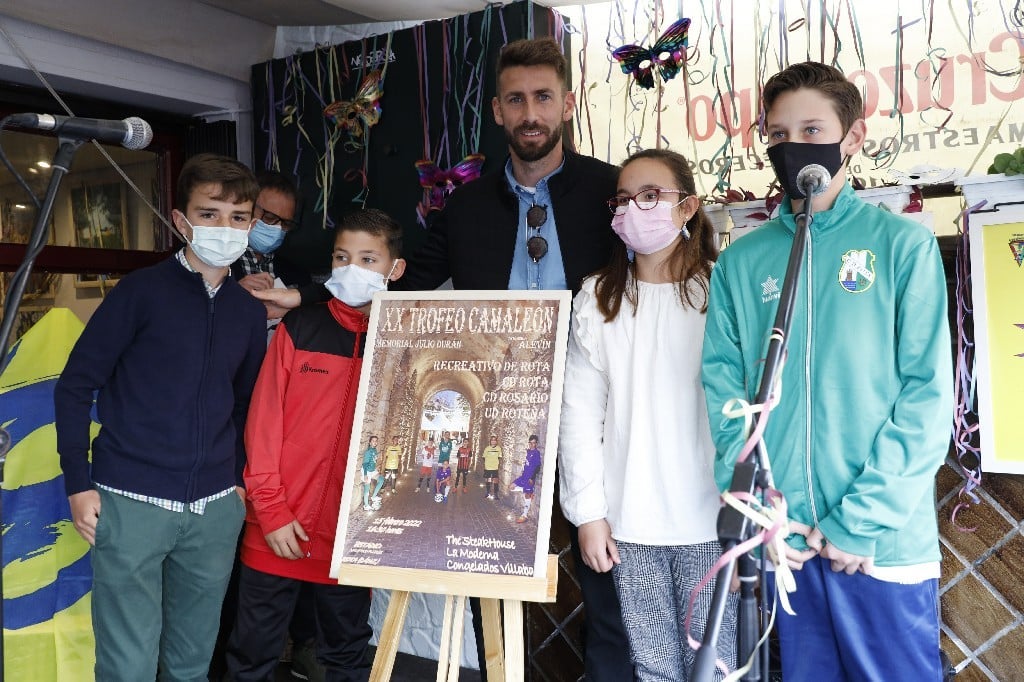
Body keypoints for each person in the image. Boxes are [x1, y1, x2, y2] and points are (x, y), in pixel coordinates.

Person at [252, 35, 632, 682]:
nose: (530, 113)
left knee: (602, 574)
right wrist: (308, 294)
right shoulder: (468, 205)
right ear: (497, 110)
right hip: (499, 418)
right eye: (516, 100)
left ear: (567, 105)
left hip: (594, 414)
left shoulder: (607, 191)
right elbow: (401, 284)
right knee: (489, 566)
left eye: (543, 97)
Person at [701, 61, 953, 680]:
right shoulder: (741, 264)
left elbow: (927, 397)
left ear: (853, 137)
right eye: (779, 135)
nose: (793, 147)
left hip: (880, 546)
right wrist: (762, 512)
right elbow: (726, 395)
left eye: (812, 130)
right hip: (788, 543)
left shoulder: (902, 245)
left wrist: (860, 522)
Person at [54, 153, 266, 681]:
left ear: (252, 225)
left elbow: (245, 404)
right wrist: (78, 482)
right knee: (127, 665)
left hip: (214, 508)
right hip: (131, 500)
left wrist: (237, 481)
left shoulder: (247, 312)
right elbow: (76, 385)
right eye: (209, 213)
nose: (224, 227)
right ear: (180, 220)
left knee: (191, 664)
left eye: (238, 217)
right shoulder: (140, 292)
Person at [559, 149, 736, 680]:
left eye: (651, 196)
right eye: (624, 199)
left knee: (716, 664)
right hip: (628, 520)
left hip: (711, 517)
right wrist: (588, 514)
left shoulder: (722, 292)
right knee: (651, 665)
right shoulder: (598, 298)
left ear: (688, 207)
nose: (634, 209)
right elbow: (578, 414)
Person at [226, 208, 407, 680]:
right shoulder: (300, 327)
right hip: (275, 528)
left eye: (368, 259)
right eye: (342, 257)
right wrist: (270, 511)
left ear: (395, 269)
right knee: (250, 658)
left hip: (352, 538)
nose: (353, 269)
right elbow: (263, 425)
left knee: (346, 658)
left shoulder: (406, 340)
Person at [511, 435, 542, 523]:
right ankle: (529, 492)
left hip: (529, 479)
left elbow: (538, 467)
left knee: (527, 496)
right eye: (530, 443)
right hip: (523, 477)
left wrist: (532, 478)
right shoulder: (528, 452)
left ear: (536, 443)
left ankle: (524, 515)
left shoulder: (536, 453)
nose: (532, 445)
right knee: (511, 487)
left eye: (533, 443)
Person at [361, 435, 384, 511]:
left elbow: (374, 461)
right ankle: (366, 505)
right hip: (366, 470)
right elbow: (364, 464)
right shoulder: (368, 452)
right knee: (367, 489)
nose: (375, 442)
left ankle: (373, 496)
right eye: (373, 441)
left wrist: (375, 468)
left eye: (376, 441)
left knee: (381, 479)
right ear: (370, 442)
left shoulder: (375, 450)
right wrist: (365, 475)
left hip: (372, 470)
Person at [481, 435, 503, 500]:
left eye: (494, 440)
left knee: (496, 480)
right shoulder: (487, 448)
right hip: (488, 467)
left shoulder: (498, 448)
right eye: (492, 440)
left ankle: (495, 494)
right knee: (488, 480)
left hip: (495, 467)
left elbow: (499, 457)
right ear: (490, 441)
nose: (493, 441)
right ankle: (488, 492)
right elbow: (484, 457)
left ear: (496, 441)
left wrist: (496, 463)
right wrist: (488, 463)